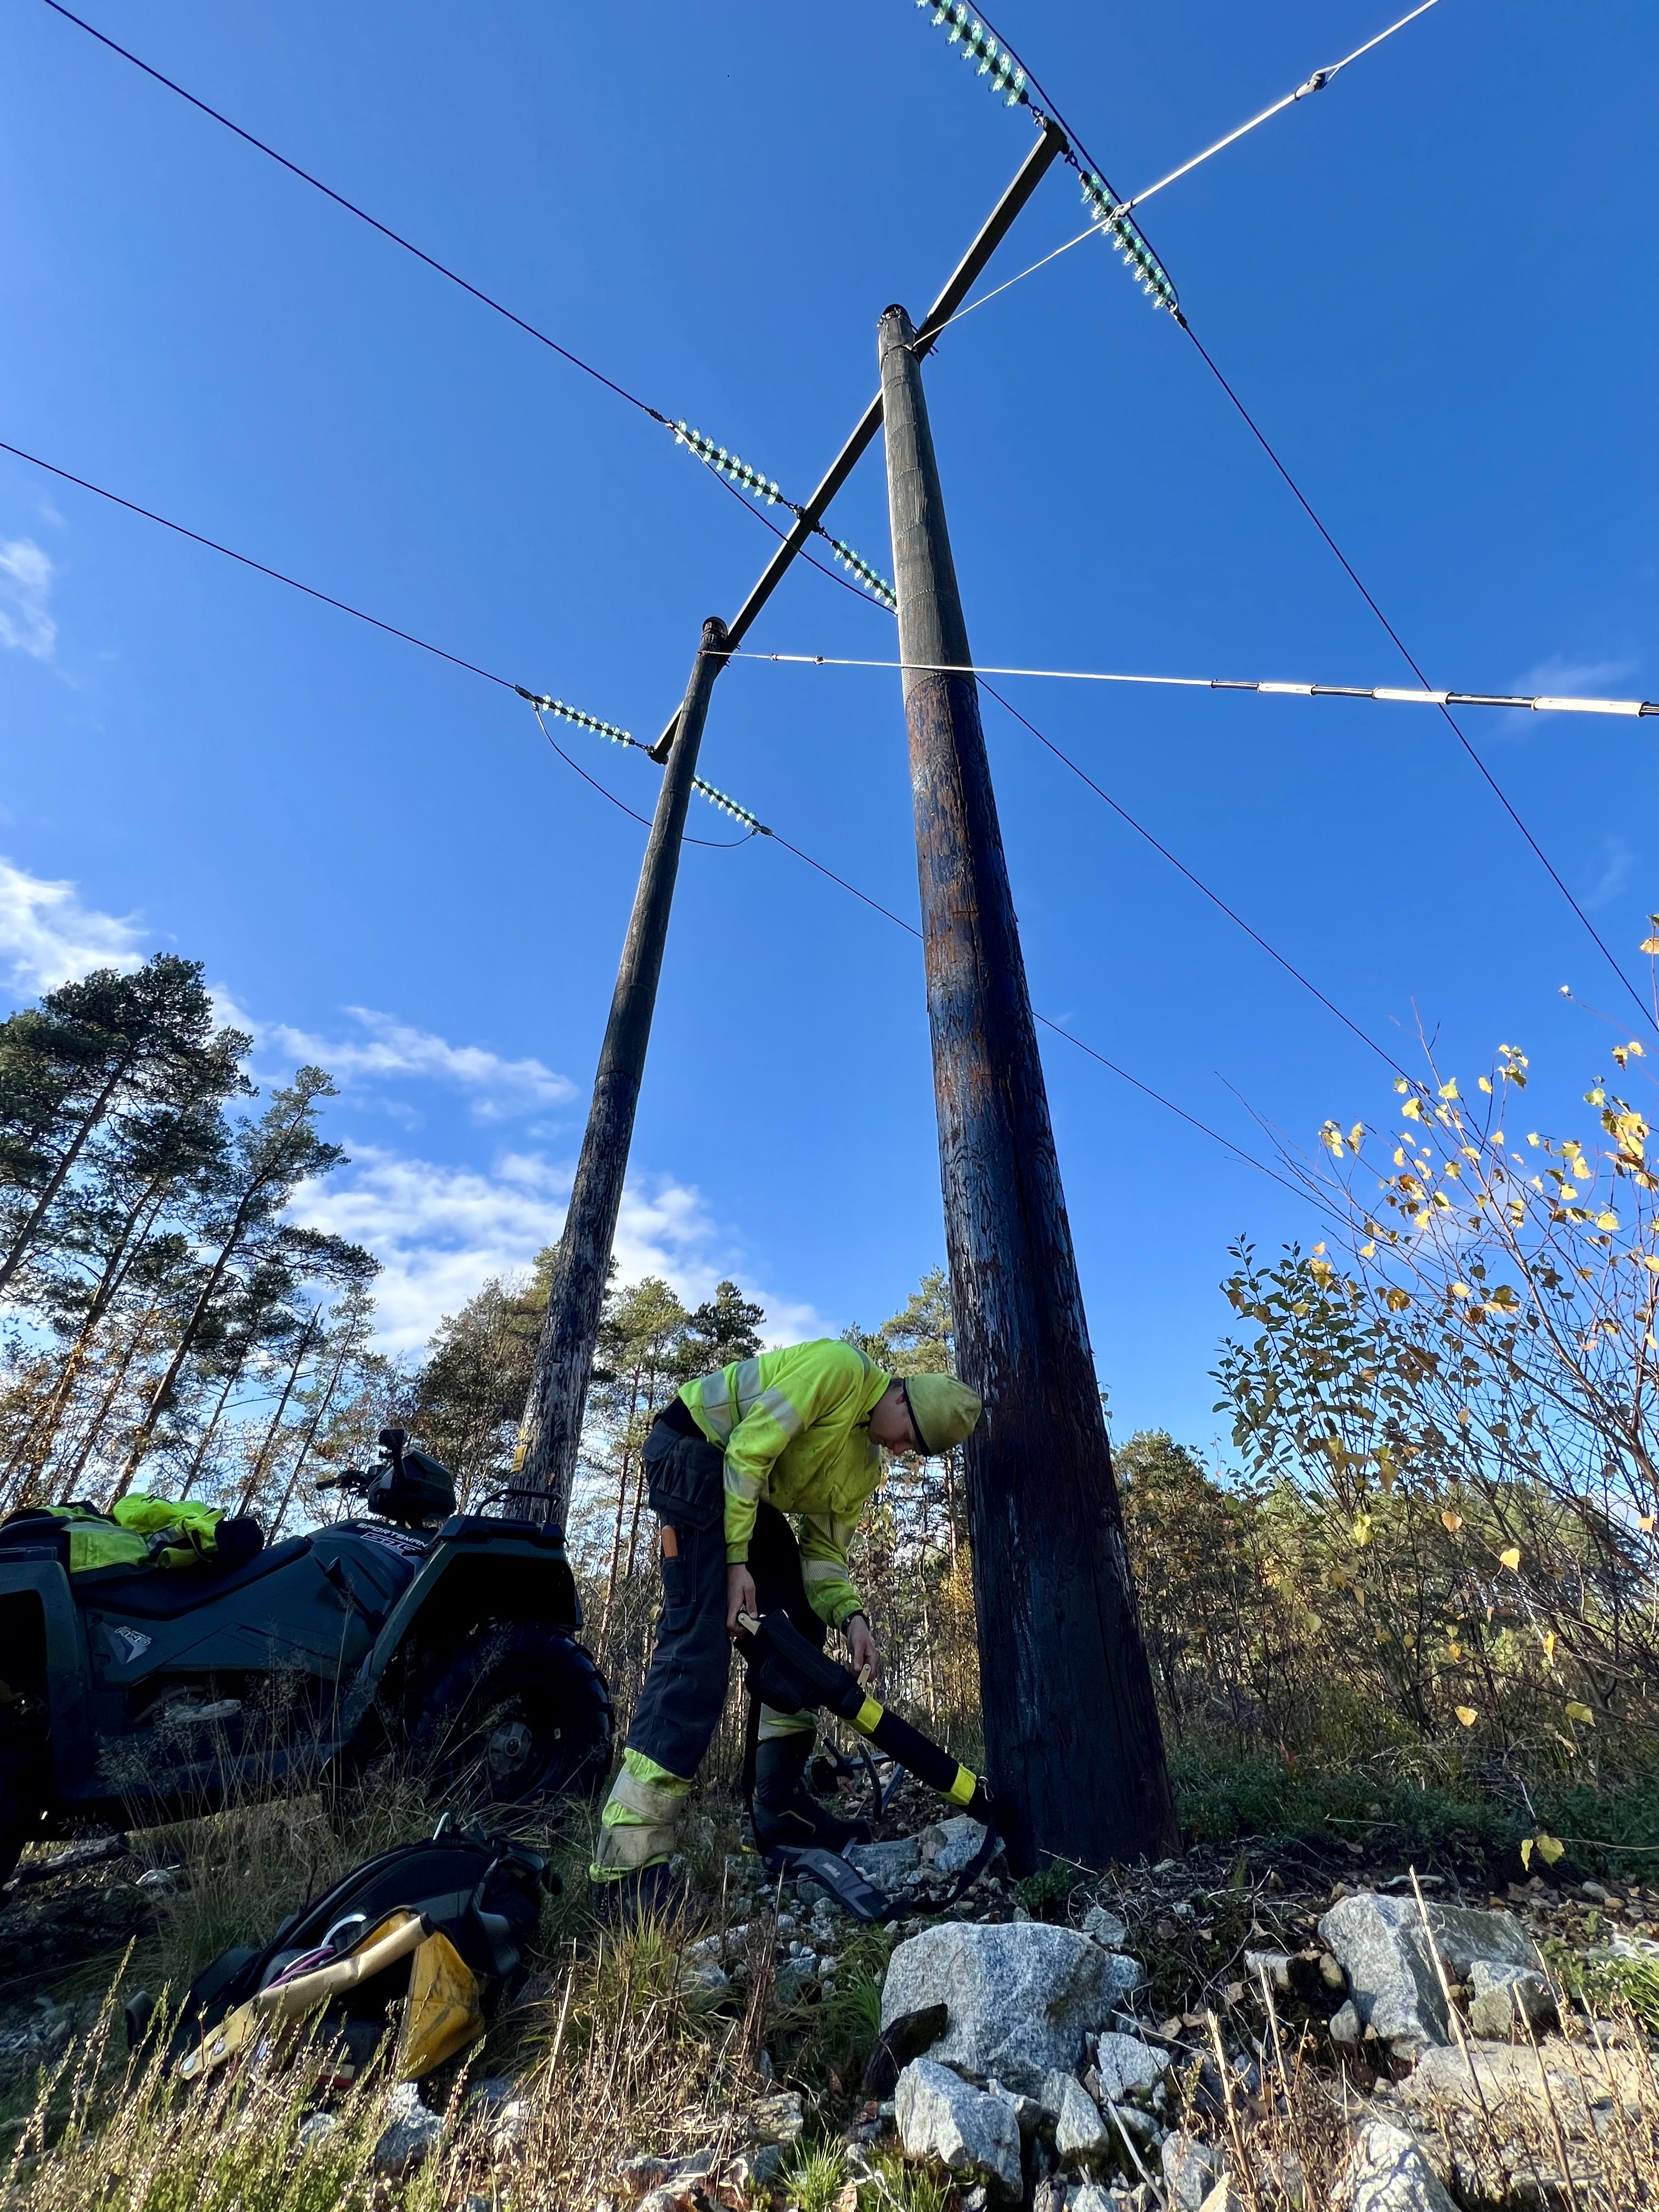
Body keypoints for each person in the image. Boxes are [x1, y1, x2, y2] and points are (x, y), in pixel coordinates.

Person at [589, 1338, 983, 1908]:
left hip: (740, 1486)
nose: (902, 1451)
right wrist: (736, 1564)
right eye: (909, 1435)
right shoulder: (839, 1370)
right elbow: (749, 1450)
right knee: (700, 1645)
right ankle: (624, 1864)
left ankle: (780, 1808)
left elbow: (823, 1556)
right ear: (902, 1396)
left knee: (798, 1628)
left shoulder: (864, 1466)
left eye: (916, 1452)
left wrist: (852, 1617)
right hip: (694, 1448)